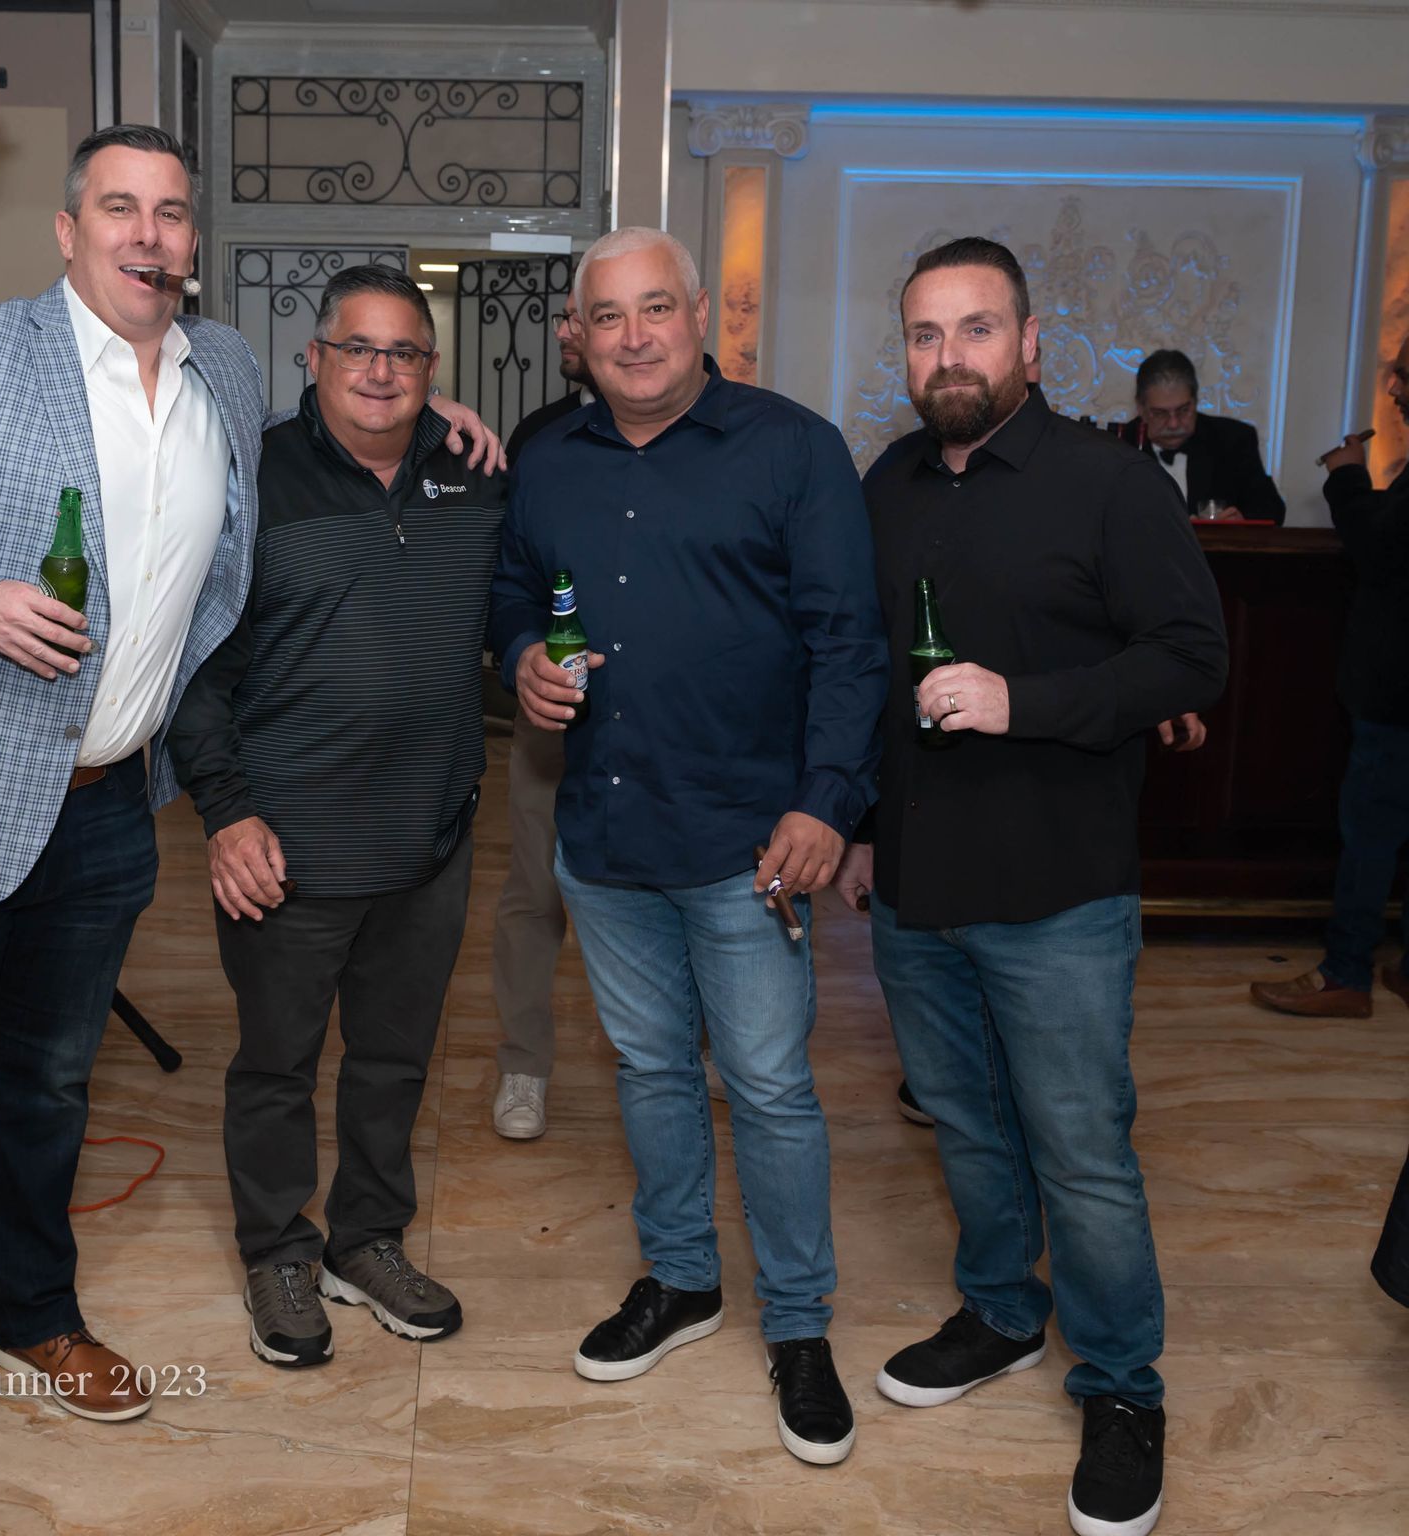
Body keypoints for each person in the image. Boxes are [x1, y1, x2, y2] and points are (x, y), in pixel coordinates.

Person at [0, 126, 497, 1536]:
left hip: (108, 809)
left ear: (193, 243)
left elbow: (336, 430)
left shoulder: (224, 367)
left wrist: (437, 417)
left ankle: (37, 1315)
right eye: (121, 207)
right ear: (68, 230)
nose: (149, 235)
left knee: (49, 1093)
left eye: (172, 213)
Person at [840, 237, 1227, 1536]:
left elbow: (1191, 657)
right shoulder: (886, 483)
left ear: (1032, 342)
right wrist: (858, 827)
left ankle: (1121, 1387)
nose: (948, 355)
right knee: (964, 1124)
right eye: (925, 334)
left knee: (1082, 1152)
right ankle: (1003, 1311)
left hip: (1059, 889)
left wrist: (1028, 702)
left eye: (976, 328)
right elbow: (865, 674)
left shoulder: (1109, 486)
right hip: (916, 887)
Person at [490, 226, 887, 1466]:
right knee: (652, 1072)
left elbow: (850, 642)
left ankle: (800, 1324)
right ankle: (681, 1279)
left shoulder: (793, 448)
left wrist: (828, 804)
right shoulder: (548, 459)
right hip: (605, 836)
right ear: (578, 337)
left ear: (700, 312)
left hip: (751, 843)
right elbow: (512, 593)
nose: (635, 337)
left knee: (768, 1087)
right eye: (608, 317)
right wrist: (523, 658)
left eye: (655, 308)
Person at [167, 266, 506, 1369]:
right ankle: (277, 1250)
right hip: (288, 849)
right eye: (357, 348)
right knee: (278, 1064)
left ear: (432, 371)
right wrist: (227, 815)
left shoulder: (475, 473)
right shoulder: (250, 478)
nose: (380, 371)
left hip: (429, 838)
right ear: (312, 359)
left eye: (404, 353)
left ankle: (368, 1240)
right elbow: (193, 670)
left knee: (394, 1060)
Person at [1248, 334, 1409, 1019]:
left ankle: (1346, 975)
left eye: (1404, 374)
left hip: (1396, 690)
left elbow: (1381, 552)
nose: (1393, 388)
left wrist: (1347, 475)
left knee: (1370, 834)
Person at [491, 291, 598, 1139]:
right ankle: (523, 1067)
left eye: (579, 316)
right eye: (567, 317)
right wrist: (523, 648)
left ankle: (702, 1049)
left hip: (679, 728)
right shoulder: (542, 438)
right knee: (534, 893)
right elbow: (509, 582)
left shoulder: (743, 437)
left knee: (691, 897)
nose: (565, 331)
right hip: (553, 719)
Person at [1117, 349, 1286, 524]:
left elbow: (1272, 511)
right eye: (1160, 413)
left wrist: (1241, 523)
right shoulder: (1119, 446)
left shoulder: (1233, 439)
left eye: (1184, 410)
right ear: (1141, 409)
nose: (1174, 424)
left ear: (1196, 401)